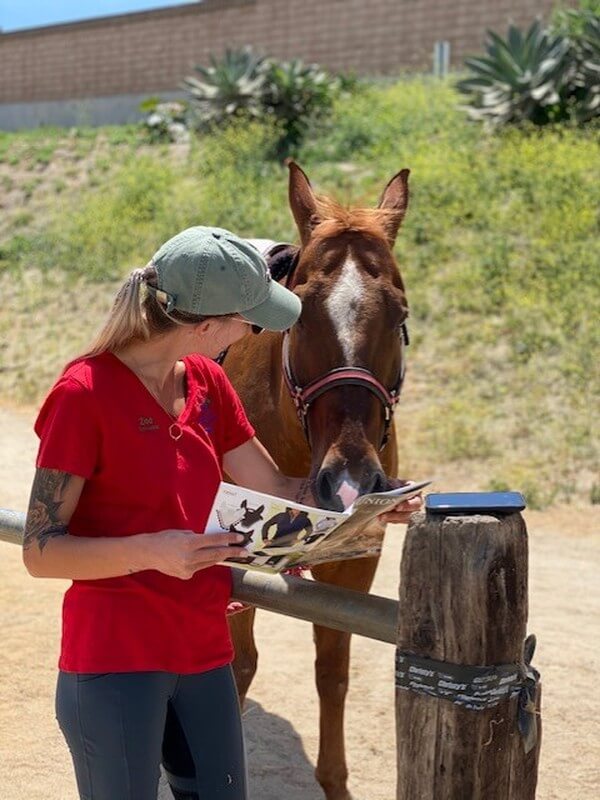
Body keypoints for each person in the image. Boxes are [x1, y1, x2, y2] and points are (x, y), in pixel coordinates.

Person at [22, 225, 422, 800]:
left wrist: (368, 505)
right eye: (249, 320)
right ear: (204, 325)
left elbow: (282, 487)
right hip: (115, 661)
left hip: (206, 658)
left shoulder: (209, 382)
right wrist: (154, 551)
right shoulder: (83, 395)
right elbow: (40, 552)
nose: (255, 333)